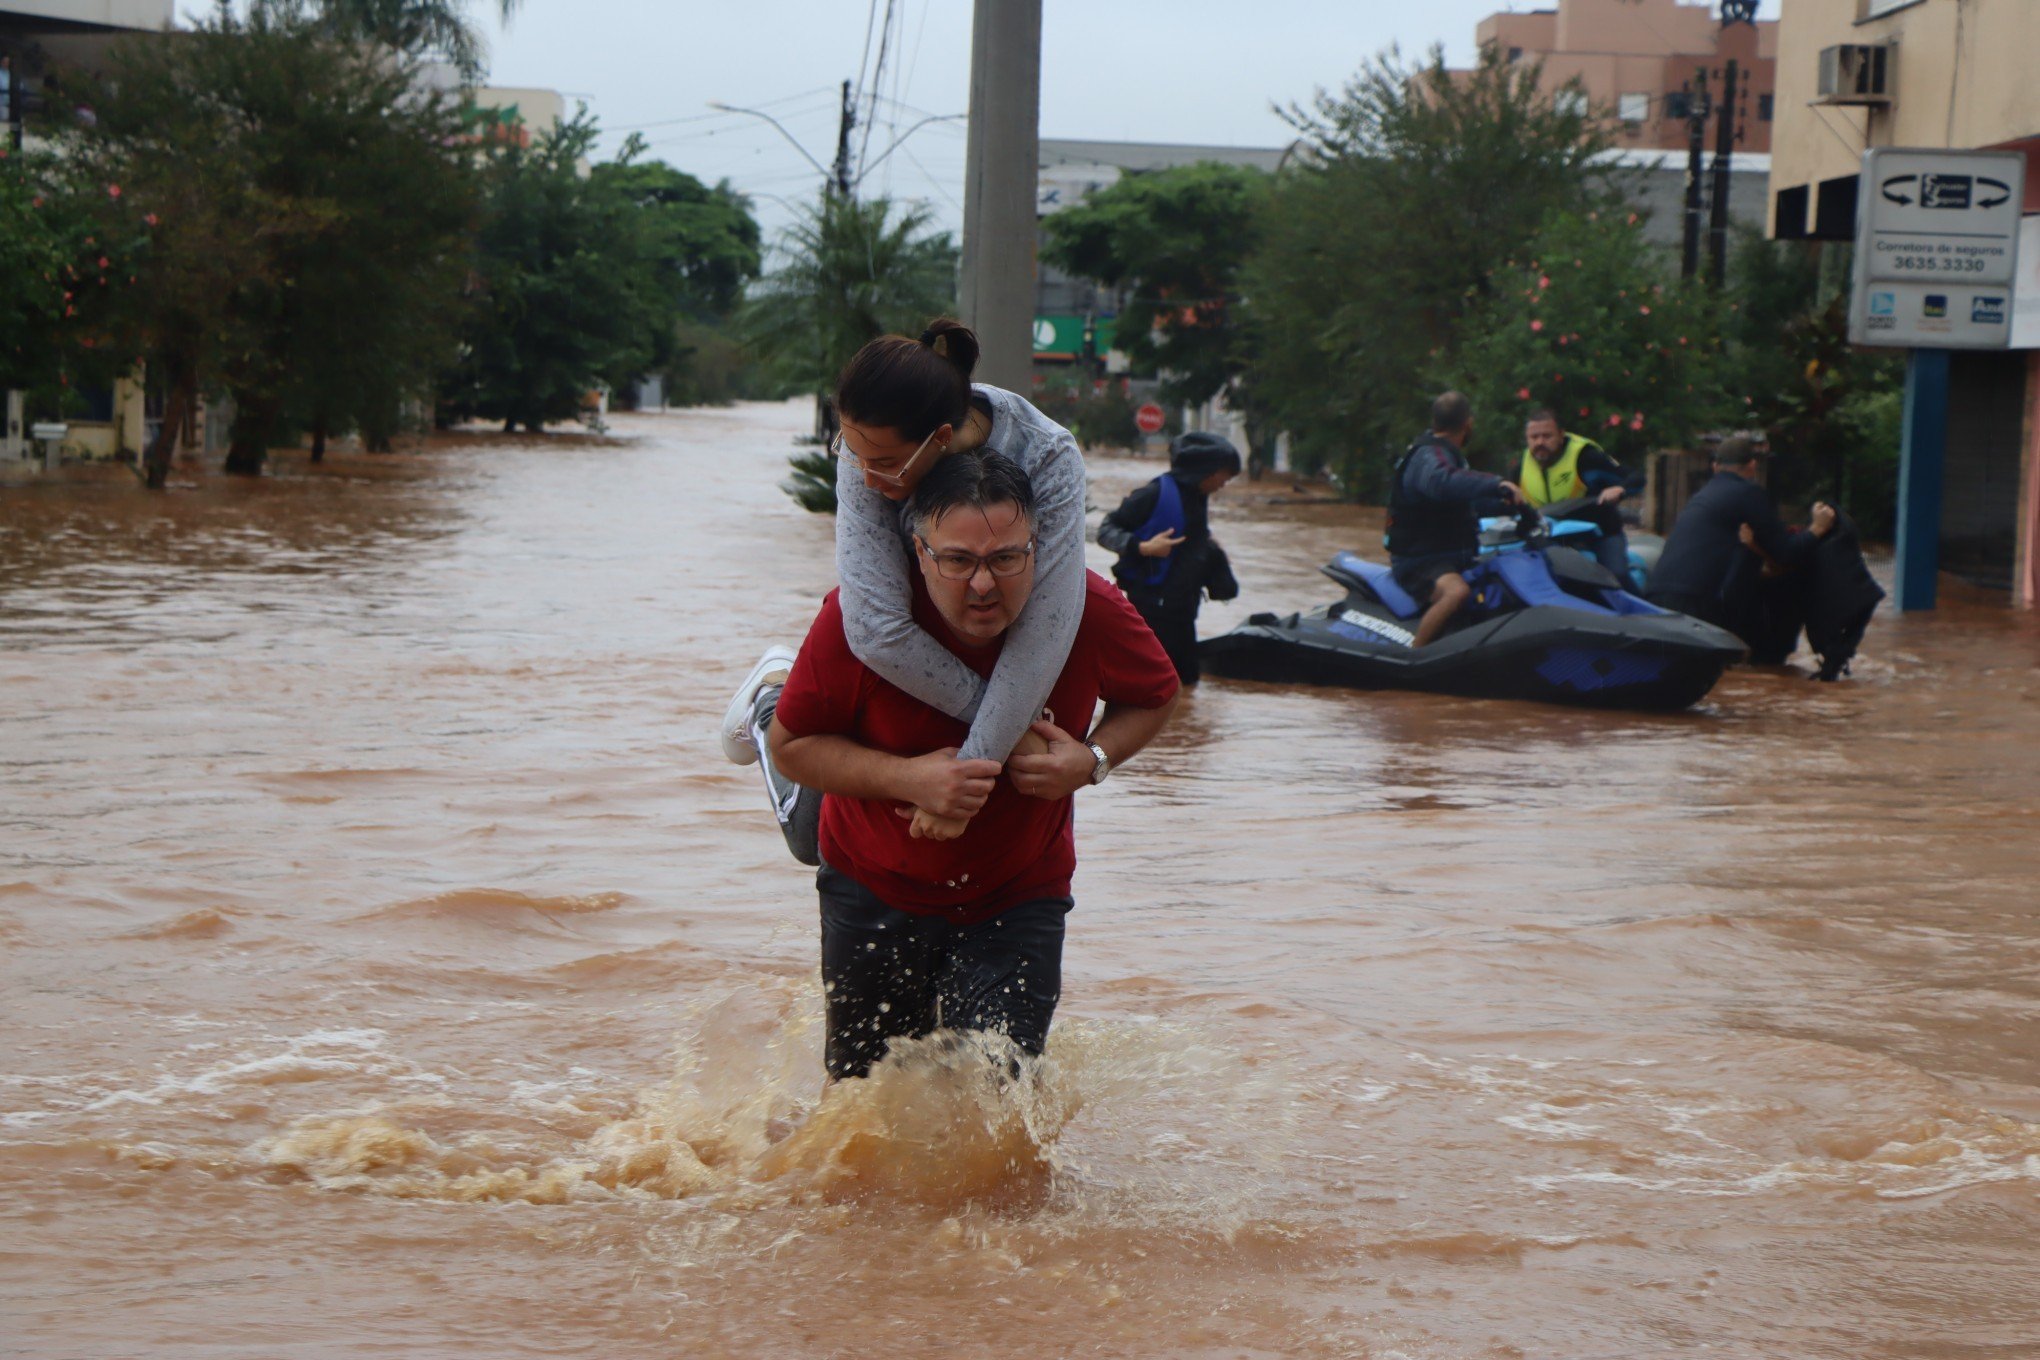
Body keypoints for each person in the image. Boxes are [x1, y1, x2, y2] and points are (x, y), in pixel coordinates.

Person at [766, 449, 1181, 1080]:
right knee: (860, 1106)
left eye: (1006, 559)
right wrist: (912, 778)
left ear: (1039, 548)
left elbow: (1155, 694)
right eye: (958, 561)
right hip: (871, 882)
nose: (983, 584)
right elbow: (792, 745)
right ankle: (766, 693)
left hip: (1017, 894)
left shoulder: (1085, 607)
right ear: (918, 552)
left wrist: (1092, 760)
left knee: (997, 1104)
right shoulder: (865, 616)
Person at [718, 318, 1087, 862]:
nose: (866, 480)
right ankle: (771, 701)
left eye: (886, 465)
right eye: (854, 455)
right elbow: (875, 630)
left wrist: (974, 771)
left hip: (987, 643)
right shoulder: (866, 450)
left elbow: (1045, 633)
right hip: (898, 637)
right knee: (811, 840)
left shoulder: (1048, 457)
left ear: (941, 440)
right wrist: (1005, 744)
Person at [1647, 435, 1837, 659]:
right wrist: (1818, 528)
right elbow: (1787, 553)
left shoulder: (1702, 496)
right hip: (1697, 605)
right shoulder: (1749, 494)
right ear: (1752, 466)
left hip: (1656, 600)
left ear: (1715, 466)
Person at [1096, 430, 1241, 683]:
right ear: (1206, 470)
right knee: (1151, 683)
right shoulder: (1153, 494)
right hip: (1152, 610)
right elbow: (1105, 530)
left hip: (1184, 609)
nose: (1224, 483)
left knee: (1185, 686)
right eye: (1224, 475)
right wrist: (1142, 547)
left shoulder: (1198, 498)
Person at [1386, 391, 1523, 648]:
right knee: (1457, 592)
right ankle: (1415, 655)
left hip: (1451, 557)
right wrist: (1497, 484)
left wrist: (1507, 506)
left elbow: (1465, 504)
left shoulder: (1447, 458)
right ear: (1468, 424)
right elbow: (1443, 483)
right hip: (1420, 561)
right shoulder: (1429, 459)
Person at [1517, 408, 1644, 582]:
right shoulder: (1521, 468)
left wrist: (1620, 489)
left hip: (1600, 534)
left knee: (1616, 576)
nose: (1540, 442)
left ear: (1561, 435)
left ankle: (1638, 608)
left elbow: (1636, 477)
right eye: (1534, 437)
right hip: (1551, 539)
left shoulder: (1587, 459)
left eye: (1547, 436)